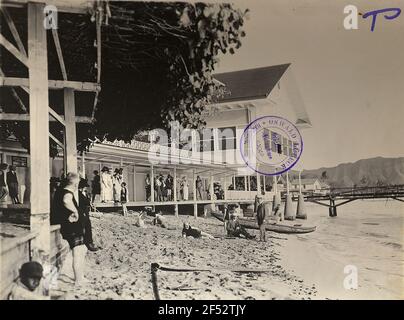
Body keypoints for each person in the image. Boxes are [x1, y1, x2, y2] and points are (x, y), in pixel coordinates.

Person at [53, 172, 87, 285]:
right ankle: (78, 279)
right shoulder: (67, 193)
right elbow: (66, 200)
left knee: (81, 250)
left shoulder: (60, 191)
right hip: (72, 227)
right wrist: (75, 211)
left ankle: (80, 276)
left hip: (70, 226)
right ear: (75, 183)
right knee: (78, 252)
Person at [78, 178, 100, 252]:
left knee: (88, 226)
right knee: (87, 227)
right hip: (82, 212)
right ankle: (89, 243)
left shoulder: (82, 193)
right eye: (85, 186)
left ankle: (89, 242)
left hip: (85, 212)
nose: (86, 188)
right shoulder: (78, 193)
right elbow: (84, 202)